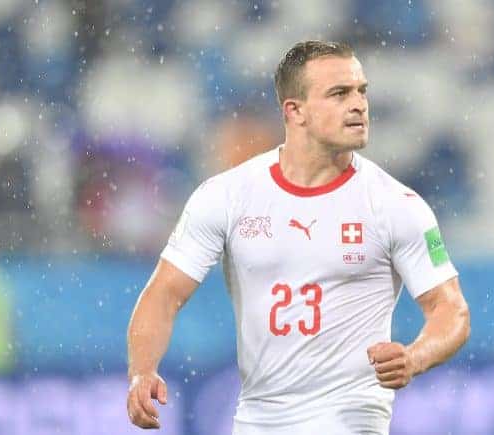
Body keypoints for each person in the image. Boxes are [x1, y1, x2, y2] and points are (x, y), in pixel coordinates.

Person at [126, 40, 470, 434]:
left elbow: (451, 310)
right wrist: (142, 372)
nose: (358, 104)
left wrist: (414, 357)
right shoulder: (227, 196)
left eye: (362, 91)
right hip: (257, 423)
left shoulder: (396, 206)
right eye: (340, 93)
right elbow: (164, 293)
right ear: (295, 111)